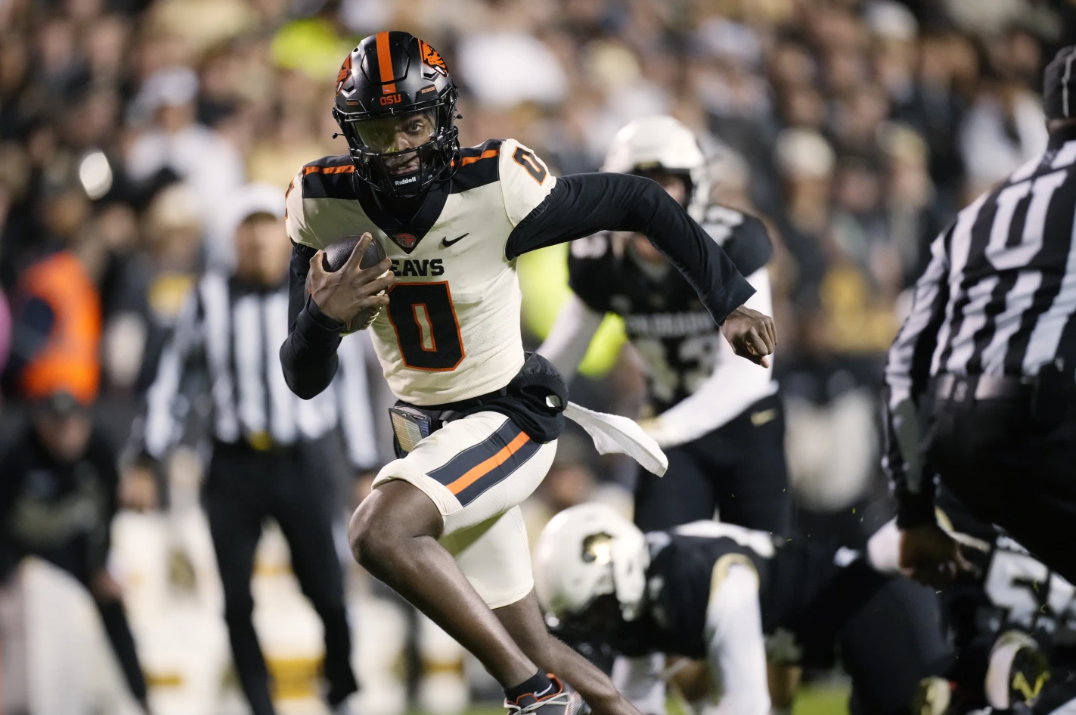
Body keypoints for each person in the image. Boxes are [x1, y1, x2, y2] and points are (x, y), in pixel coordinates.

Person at [279, 31, 776, 715]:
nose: (396, 147)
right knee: (532, 637)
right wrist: (321, 321)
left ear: (444, 118)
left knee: (377, 531)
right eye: (377, 129)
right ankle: (597, 699)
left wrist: (728, 298)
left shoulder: (494, 185)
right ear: (347, 131)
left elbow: (638, 197)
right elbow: (301, 376)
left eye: (413, 124)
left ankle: (533, 696)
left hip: (506, 415)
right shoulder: (321, 201)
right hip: (425, 438)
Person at [129, 184, 375, 715]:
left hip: (302, 459)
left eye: (268, 225)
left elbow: (350, 382)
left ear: (283, 233)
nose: (260, 238)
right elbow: (172, 383)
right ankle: (261, 705)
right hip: (233, 462)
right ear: (234, 236)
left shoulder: (315, 291)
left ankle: (342, 686)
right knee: (236, 601)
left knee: (328, 591)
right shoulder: (206, 298)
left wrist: (362, 464)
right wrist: (147, 458)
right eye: (249, 226)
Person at [537, 115, 790, 536]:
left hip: (744, 425)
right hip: (664, 427)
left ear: (695, 188)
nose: (649, 204)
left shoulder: (733, 241)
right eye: (636, 185)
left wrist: (658, 431)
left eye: (664, 184)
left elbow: (750, 376)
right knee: (661, 563)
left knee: (764, 566)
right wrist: (507, 402)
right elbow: (561, 355)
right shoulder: (600, 259)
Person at [882, 46, 1076, 591]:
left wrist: (914, 510)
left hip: (954, 444)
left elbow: (904, 364)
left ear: (1048, 120)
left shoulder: (980, 212)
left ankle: (995, 653)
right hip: (1045, 429)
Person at [532, 502, 951, 715]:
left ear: (617, 570)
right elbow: (635, 700)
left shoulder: (703, 576)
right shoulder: (646, 590)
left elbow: (747, 704)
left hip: (871, 611)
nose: (598, 627)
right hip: (832, 634)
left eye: (596, 611)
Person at [0, 389, 150, 713]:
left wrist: (101, 563)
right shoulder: (19, 455)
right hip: (22, 550)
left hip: (78, 549)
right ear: (42, 426)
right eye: (57, 426)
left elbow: (106, 515)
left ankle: (141, 699)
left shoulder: (98, 451)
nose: (66, 435)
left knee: (111, 603)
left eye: (72, 425)